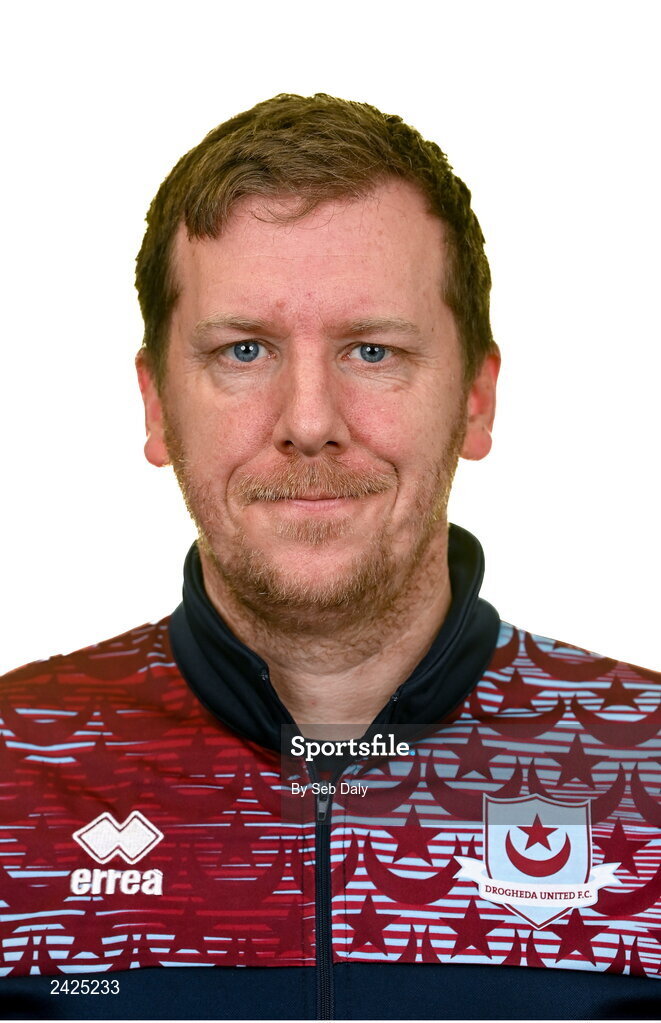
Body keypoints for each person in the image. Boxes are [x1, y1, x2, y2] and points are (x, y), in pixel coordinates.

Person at [1, 93, 660, 1022]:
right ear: (155, 404)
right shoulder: (15, 764)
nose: (308, 422)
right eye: (243, 350)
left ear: (475, 398)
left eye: (370, 350)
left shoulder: (647, 767)